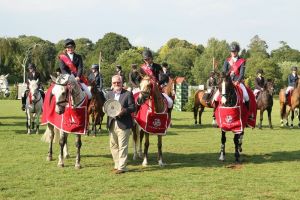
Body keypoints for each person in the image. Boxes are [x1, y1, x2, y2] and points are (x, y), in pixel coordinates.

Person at [106, 75, 136, 174]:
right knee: (113, 145)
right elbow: (107, 106)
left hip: (124, 123)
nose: (116, 84)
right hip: (112, 123)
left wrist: (124, 110)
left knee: (123, 146)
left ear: (122, 83)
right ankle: (117, 164)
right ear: (112, 84)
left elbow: (133, 107)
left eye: (118, 82)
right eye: (114, 83)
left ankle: (122, 167)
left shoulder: (128, 94)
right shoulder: (109, 94)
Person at [221, 42, 249, 108]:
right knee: (216, 96)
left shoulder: (242, 61)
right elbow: (224, 72)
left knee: (246, 96)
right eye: (232, 51)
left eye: (234, 51)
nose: (233, 53)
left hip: (238, 82)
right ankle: (216, 113)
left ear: (237, 51)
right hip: (228, 81)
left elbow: (242, 74)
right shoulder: (227, 61)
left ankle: (248, 113)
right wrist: (229, 74)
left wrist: (237, 81)